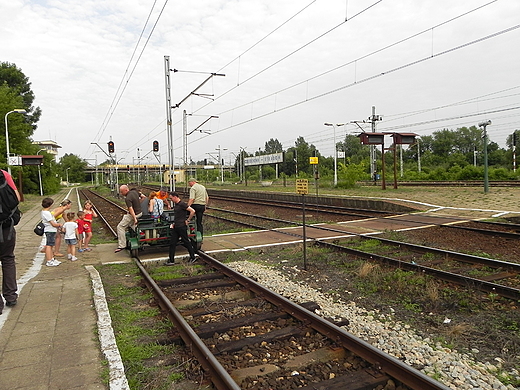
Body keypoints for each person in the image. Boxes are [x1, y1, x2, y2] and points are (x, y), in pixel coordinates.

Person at [0, 169, 21, 313]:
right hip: (6, 227)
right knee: (8, 259)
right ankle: (11, 296)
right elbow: (17, 198)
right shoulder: (3, 174)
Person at [166, 192, 197, 265]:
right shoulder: (177, 205)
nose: (171, 200)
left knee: (186, 241)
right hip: (176, 226)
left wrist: (188, 220)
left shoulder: (182, 204)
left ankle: (193, 257)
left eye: (171, 198)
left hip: (181, 226)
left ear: (175, 197)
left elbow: (192, 211)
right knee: (172, 243)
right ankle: (171, 260)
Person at [115, 185, 142, 253]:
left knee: (120, 227)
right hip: (140, 213)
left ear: (126, 190)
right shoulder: (134, 192)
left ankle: (122, 245)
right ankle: (140, 232)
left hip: (134, 214)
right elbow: (142, 196)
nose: (121, 194)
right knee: (130, 223)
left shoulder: (128, 198)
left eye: (122, 192)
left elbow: (131, 209)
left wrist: (135, 218)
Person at [41, 197, 63, 267]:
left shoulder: (45, 212)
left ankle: (51, 259)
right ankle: (49, 260)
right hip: (50, 230)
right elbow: (53, 224)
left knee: (50, 245)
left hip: (51, 230)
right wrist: (59, 224)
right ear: (50, 205)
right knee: (49, 246)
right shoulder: (46, 213)